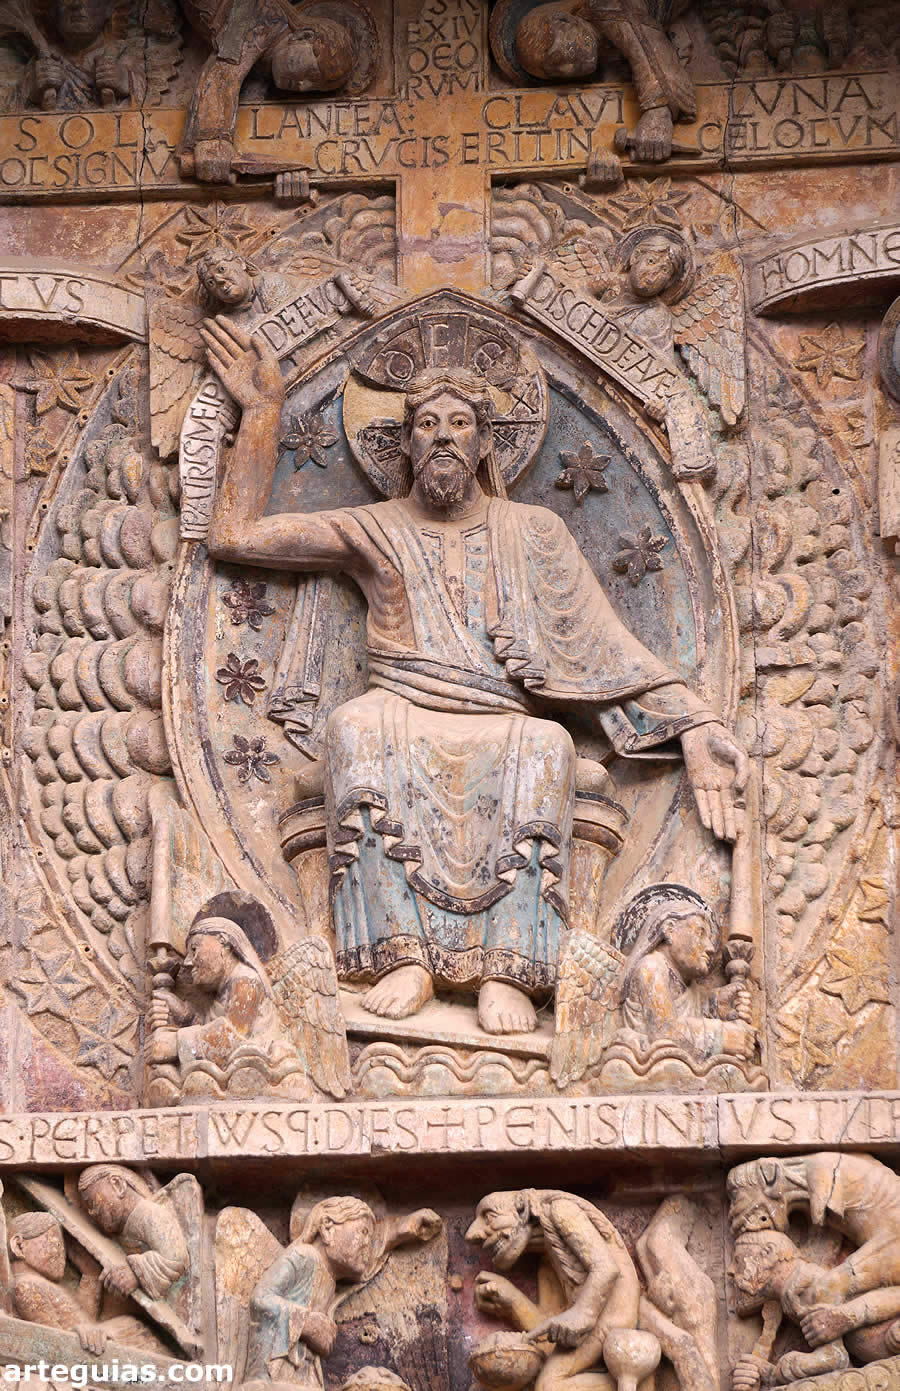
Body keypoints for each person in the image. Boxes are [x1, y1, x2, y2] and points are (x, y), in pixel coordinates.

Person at [202, 316, 748, 1036]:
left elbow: (606, 650)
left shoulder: (534, 531)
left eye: (460, 421)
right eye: (426, 423)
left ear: (488, 441)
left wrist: (699, 723)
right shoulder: (377, 527)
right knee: (353, 728)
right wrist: (264, 412)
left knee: (547, 748)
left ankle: (507, 969)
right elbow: (233, 535)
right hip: (401, 705)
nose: (443, 435)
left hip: (500, 715)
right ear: (404, 444)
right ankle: (402, 954)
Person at [466, 1189, 647, 1391]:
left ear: (521, 1208)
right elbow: (548, 1340)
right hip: (595, 1326)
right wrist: (512, 1301)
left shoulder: (562, 1210)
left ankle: (640, 1384)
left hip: (611, 1318)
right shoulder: (549, 1258)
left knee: (549, 1386)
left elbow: (606, 1268)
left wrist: (582, 1314)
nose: (473, 1233)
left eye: (489, 1216)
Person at [178, 0, 357, 183]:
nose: (302, 86)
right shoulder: (265, 16)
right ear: (304, 36)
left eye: (313, 87)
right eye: (310, 73)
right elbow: (224, 73)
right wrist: (212, 140)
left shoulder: (264, 65)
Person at [509, 0, 695, 163]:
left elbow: (643, 40)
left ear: (563, 20)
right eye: (556, 72)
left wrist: (657, 112)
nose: (567, 69)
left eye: (559, 57)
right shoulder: (605, 54)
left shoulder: (603, 5)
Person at [730, 1229, 900, 1389]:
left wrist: (777, 1370)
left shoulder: (812, 1286)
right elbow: (843, 1367)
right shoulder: (792, 1297)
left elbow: (834, 1358)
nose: (731, 1271)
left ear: (768, 1253)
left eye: (738, 1260)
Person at [147, 915, 300, 1080]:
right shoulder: (226, 989)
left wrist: (175, 1045)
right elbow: (215, 1028)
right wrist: (185, 1015)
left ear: (223, 942)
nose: (188, 962)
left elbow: (231, 1037)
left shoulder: (247, 980)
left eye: (194, 949)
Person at [614, 892, 755, 1060]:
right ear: (669, 930)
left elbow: (690, 1008)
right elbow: (664, 1032)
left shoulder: (686, 984)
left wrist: (717, 1004)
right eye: (700, 933)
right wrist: (723, 1037)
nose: (710, 947)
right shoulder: (651, 966)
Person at [6, 1211, 165, 1355]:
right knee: (133, 1330)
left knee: (133, 1327)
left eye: (64, 1248)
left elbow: (83, 1322)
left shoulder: (38, 1284)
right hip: (84, 1354)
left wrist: (90, 1275)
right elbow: (53, 1343)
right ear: (19, 1245)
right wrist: (78, 1334)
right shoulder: (26, 1286)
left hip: (96, 1345)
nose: (62, 1256)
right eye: (54, 1242)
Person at [76, 1165, 188, 1303]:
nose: (91, 1213)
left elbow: (176, 1258)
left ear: (117, 1185)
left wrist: (135, 1273)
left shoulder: (151, 1214)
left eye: (92, 1202)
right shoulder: (123, 1229)